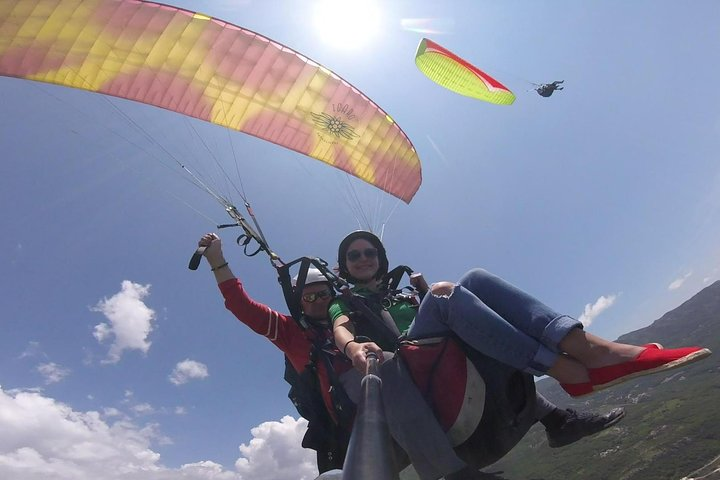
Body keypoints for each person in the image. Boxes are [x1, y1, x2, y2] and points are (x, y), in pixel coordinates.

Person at [197, 233, 626, 479]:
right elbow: (243, 308)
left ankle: (556, 415)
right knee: (376, 366)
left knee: (462, 325)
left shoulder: (356, 311)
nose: (315, 300)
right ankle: (447, 471)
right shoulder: (293, 334)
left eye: (322, 293)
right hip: (363, 409)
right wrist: (218, 261)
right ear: (297, 301)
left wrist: (425, 297)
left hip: (403, 381)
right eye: (307, 295)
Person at [331, 231, 711, 399]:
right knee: (447, 292)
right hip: (407, 360)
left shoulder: (400, 290)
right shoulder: (345, 300)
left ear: (380, 258)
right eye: (355, 255)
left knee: (473, 277)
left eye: (370, 253)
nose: (364, 259)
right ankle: (564, 368)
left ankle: (586, 348)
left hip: (445, 345)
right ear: (345, 266)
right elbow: (340, 328)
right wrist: (352, 351)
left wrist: (423, 291)